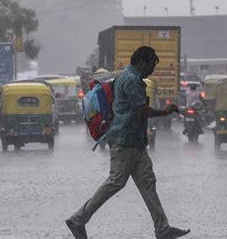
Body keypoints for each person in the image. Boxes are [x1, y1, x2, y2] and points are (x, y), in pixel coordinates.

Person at [65, 46, 190, 239]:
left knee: (148, 183)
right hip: (124, 141)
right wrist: (164, 112)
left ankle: (162, 228)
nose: (152, 70)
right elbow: (141, 111)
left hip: (135, 142)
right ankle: (78, 219)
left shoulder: (130, 78)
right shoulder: (131, 80)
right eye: (151, 65)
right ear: (141, 62)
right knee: (116, 182)